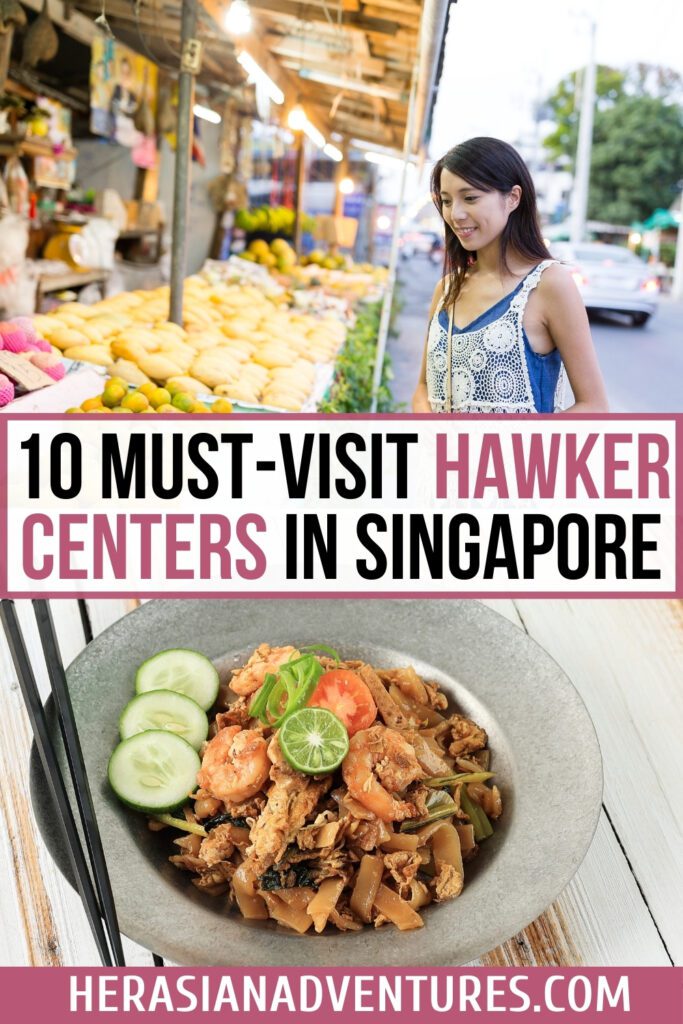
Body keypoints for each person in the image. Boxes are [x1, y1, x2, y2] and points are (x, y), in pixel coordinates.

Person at [413, 137, 608, 413]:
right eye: (446, 201)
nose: (455, 214)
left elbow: (595, 407)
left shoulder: (549, 284)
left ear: (513, 198)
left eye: (470, 198)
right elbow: (423, 388)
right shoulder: (446, 289)